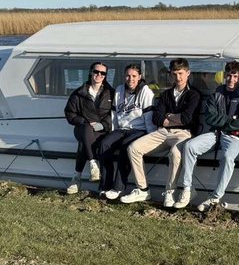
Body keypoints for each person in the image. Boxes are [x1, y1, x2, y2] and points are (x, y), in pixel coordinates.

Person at [120, 58, 201, 204]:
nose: (178, 77)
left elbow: (188, 118)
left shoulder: (194, 94)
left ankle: (170, 191)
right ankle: (143, 190)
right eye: (174, 74)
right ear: (170, 74)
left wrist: (168, 116)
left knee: (175, 153)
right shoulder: (166, 94)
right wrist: (172, 118)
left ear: (188, 73)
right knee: (133, 148)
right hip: (163, 132)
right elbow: (157, 119)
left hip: (183, 133)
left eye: (181, 73)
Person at [173, 61, 239, 212]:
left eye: (234, 76)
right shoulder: (217, 93)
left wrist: (224, 121)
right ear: (224, 76)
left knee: (228, 157)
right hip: (215, 133)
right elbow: (210, 118)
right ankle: (187, 189)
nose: (231, 79)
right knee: (189, 146)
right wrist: (230, 119)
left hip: (234, 137)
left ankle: (216, 197)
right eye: (228, 76)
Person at [96, 64, 155, 199]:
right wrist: (113, 133)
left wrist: (151, 137)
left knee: (125, 147)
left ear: (139, 77)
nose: (130, 79)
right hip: (122, 129)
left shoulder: (146, 92)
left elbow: (149, 117)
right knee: (104, 144)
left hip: (140, 130)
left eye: (134, 76)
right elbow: (114, 115)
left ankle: (118, 188)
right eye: (128, 76)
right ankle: (105, 185)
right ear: (124, 76)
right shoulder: (119, 90)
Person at [63, 61, 114, 194]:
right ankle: (93, 163)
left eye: (103, 73)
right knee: (86, 130)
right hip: (81, 128)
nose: (99, 75)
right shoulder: (79, 93)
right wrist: (84, 121)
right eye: (96, 72)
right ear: (91, 72)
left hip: (101, 129)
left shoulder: (111, 93)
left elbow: (114, 113)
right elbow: (70, 113)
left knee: (84, 144)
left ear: (106, 75)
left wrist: (102, 125)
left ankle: (76, 178)